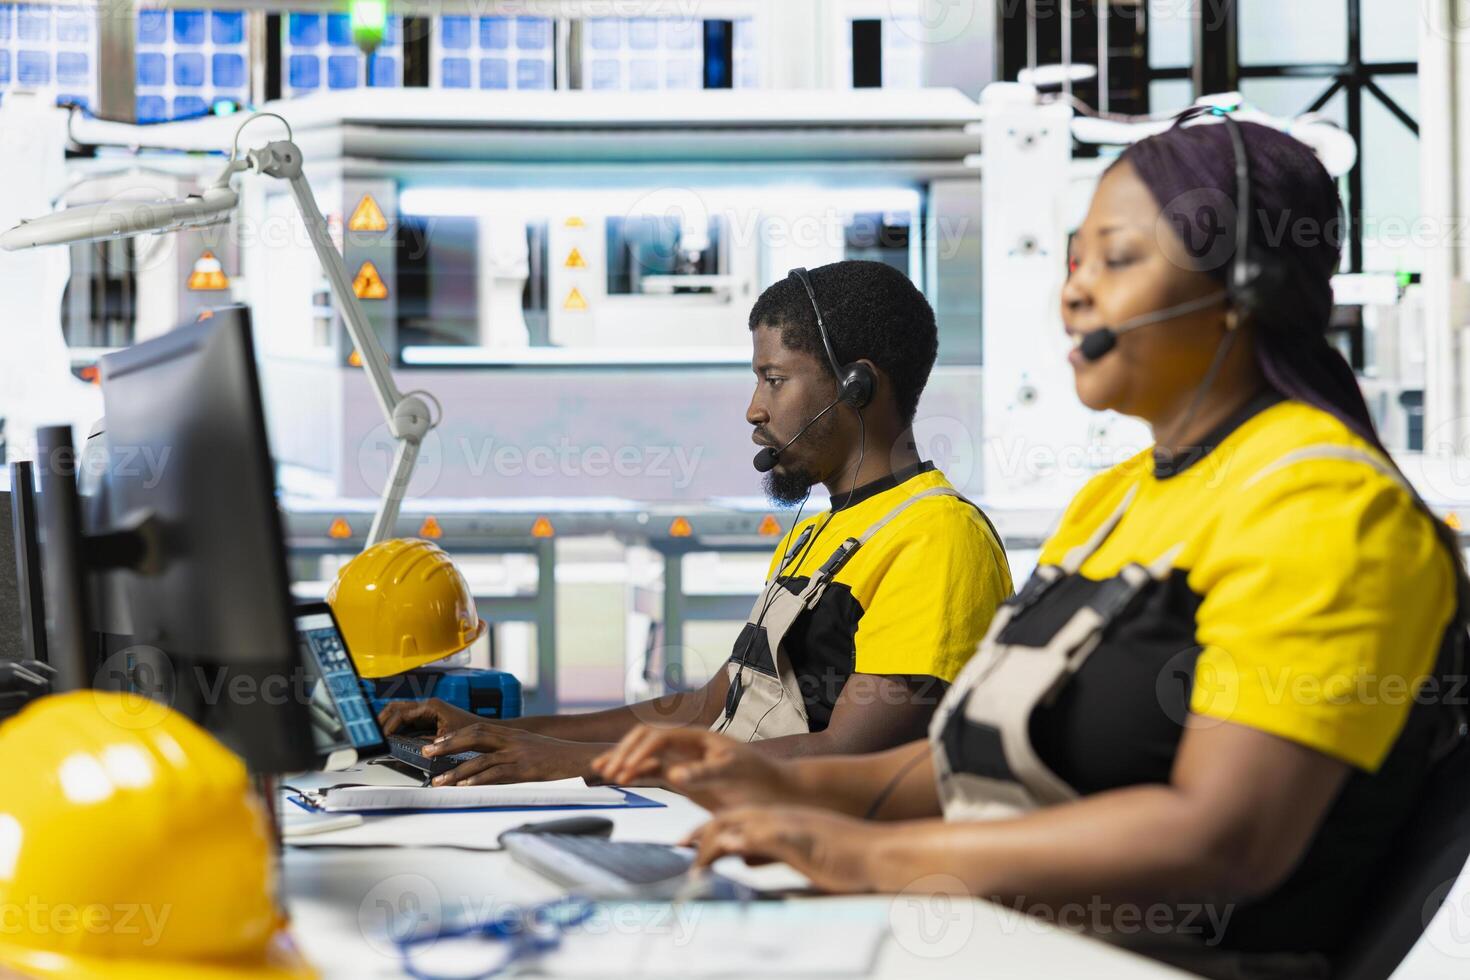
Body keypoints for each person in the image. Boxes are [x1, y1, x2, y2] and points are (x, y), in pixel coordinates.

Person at [591, 116, 1468, 977]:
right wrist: (769, 786)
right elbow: (966, 765)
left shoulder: (1328, 508)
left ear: (1242, 288)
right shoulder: (1114, 500)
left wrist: (872, 860)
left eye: (1117, 259)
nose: (1073, 294)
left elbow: (1222, 837)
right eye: (1073, 261)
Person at [380, 260, 1013, 786]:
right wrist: (499, 734)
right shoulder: (820, 532)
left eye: (774, 379)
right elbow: (709, 709)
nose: (753, 408)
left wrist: (579, 766)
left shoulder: (935, 538)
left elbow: (848, 758)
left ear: (857, 388)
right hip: (725, 813)